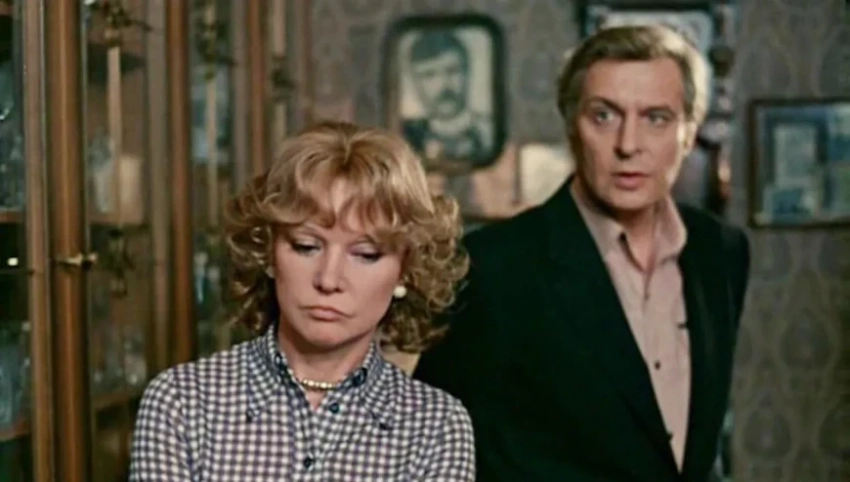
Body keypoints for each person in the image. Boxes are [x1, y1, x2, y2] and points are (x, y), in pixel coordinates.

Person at [414, 25, 751, 481]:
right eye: (604, 116)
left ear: (689, 132)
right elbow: (437, 452)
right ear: (572, 124)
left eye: (656, 118)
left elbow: (694, 446)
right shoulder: (494, 266)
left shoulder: (721, 252)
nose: (628, 144)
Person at [129, 121, 475, 481]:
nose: (328, 280)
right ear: (268, 253)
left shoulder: (436, 428)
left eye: (366, 254)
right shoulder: (182, 404)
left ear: (406, 270)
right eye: (306, 246)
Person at [402, 30, 493, 163]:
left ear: (467, 73)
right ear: (415, 83)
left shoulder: (488, 132)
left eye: (452, 71)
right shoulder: (406, 136)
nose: (443, 85)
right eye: (429, 75)